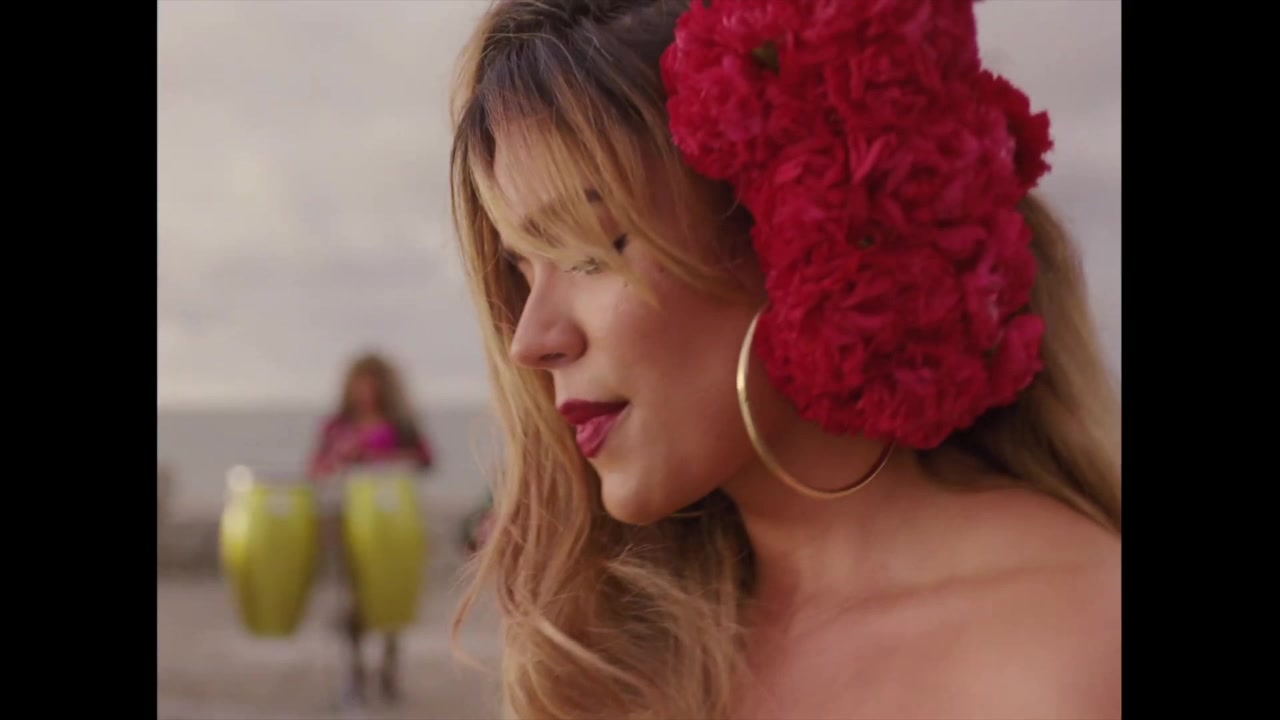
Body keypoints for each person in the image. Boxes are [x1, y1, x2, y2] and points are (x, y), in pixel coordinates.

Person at [448, 1, 1120, 719]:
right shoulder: (604, 656)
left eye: (588, 252)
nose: (531, 340)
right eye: (522, 269)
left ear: (800, 216)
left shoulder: (1079, 641)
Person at [307, 351, 434, 707]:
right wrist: (340, 460)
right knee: (353, 600)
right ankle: (355, 674)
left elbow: (426, 459)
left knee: (391, 595)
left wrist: (387, 460)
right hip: (348, 519)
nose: (366, 391)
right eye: (361, 383)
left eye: (373, 384)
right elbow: (316, 467)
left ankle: (389, 671)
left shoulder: (401, 425)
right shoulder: (338, 426)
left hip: (393, 521)